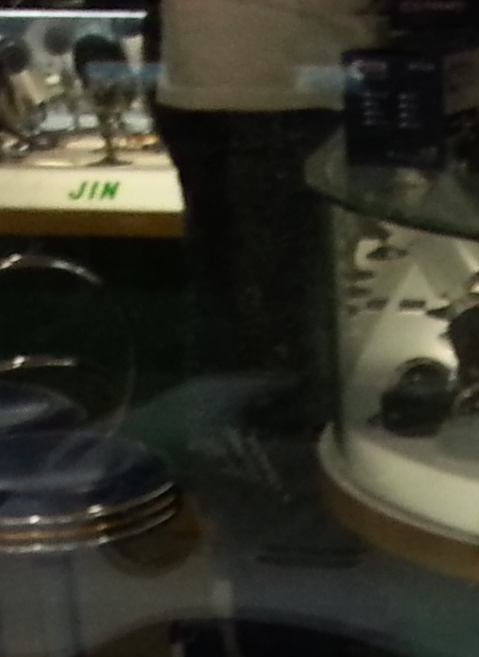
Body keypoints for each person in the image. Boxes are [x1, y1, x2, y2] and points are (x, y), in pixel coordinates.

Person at [153, 0, 375, 451]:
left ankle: (232, 459)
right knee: (290, 312)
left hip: (199, 72)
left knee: (233, 297)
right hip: (292, 76)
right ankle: (282, 464)